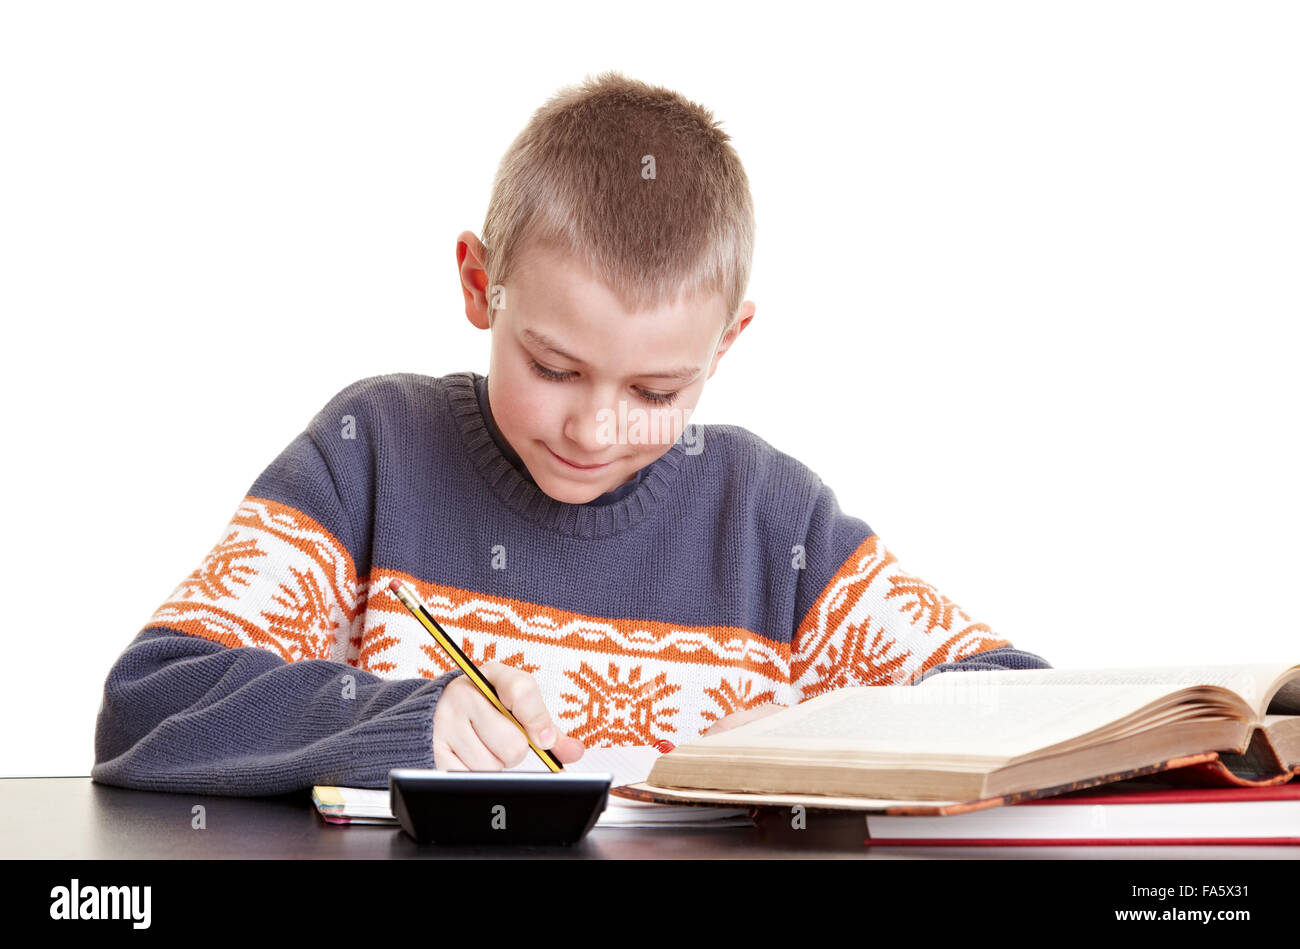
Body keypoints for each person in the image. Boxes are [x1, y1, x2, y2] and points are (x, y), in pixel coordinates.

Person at [92, 71, 1050, 796]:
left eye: (657, 386)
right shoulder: (372, 454)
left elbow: (1018, 710)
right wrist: (400, 723)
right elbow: (149, 704)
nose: (594, 427)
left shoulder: (769, 517)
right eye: (553, 368)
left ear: (727, 344)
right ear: (480, 285)